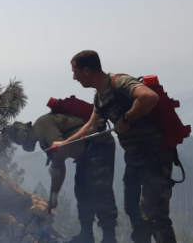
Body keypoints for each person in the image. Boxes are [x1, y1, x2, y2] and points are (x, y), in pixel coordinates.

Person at [54, 50, 177, 243]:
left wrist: (127, 118)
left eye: (75, 72)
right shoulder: (99, 96)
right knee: (133, 209)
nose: (74, 77)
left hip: (155, 156)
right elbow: (92, 126)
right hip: (134, 160)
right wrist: (66, 143)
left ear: (86, 70)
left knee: (154, 214)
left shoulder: (119, 82)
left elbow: (149, 97)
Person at [5, 112, 118, 243]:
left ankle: (109, 237)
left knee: (101, 189)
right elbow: (59, 167)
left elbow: (61, 149)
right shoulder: (43, 142)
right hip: (85, 154)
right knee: (81, 190)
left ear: (25, 133)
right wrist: (54, 196)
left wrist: (55, 165)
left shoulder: (43, 123)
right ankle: (86, 234)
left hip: (99, 144)